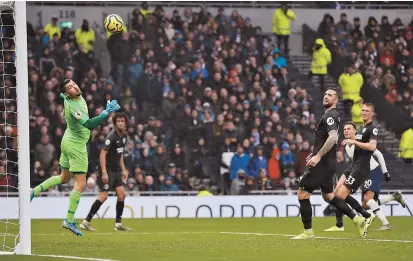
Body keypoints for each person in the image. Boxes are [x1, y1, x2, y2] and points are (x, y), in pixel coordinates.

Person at [30, 79, 121, 236]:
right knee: (80, 183)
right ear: (68, 93)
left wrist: (58, 90)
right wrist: (105, 113)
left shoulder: (69, 97)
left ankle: (34, 191)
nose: (75, 86)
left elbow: (61, 95)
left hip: (67, 140)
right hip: (76, 145)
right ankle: (69, 219)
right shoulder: (73, 105)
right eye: (70, 87)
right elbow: (90, 124)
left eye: (74, 83)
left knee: (64, 177)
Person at [292, 87, 367, 240]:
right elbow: (328, 139)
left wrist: (318, 156)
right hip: (328, 163)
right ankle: (357, 219)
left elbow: (333, 138)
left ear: (336, 100)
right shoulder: (331, 115)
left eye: (330, 95)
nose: (326, 96)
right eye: (325, 94)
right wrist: (315, 153)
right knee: (328, 196)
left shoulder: (330, 115)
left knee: (302, 194)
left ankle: (308, 232)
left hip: (323, 163)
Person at [325, 122, 406, 232]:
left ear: (355, 131)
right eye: (344, 129)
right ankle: (393, 197)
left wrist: (385, 171)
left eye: (349, 129)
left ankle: (384, 223)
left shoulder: (361, 142)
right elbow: (353, 165)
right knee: (365, 204)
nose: (346, 131)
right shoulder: (347, 147)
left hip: (373, 171)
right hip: (362, 173)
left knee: (366, 200)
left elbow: (378, 154)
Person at [80, 112, 132, 232]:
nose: (120, 123)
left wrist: (123, 170)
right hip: (107, 170)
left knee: (122, 194)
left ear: (125, 123)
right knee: (103, 196)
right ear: (114, 123)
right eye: (118, 121)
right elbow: (102, 154)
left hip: (116, 170)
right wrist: (104, 172)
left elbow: (120, 154)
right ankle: (86, 222)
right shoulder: (111, 137)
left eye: (122, 121)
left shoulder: (124, 136)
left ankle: (118, 224)